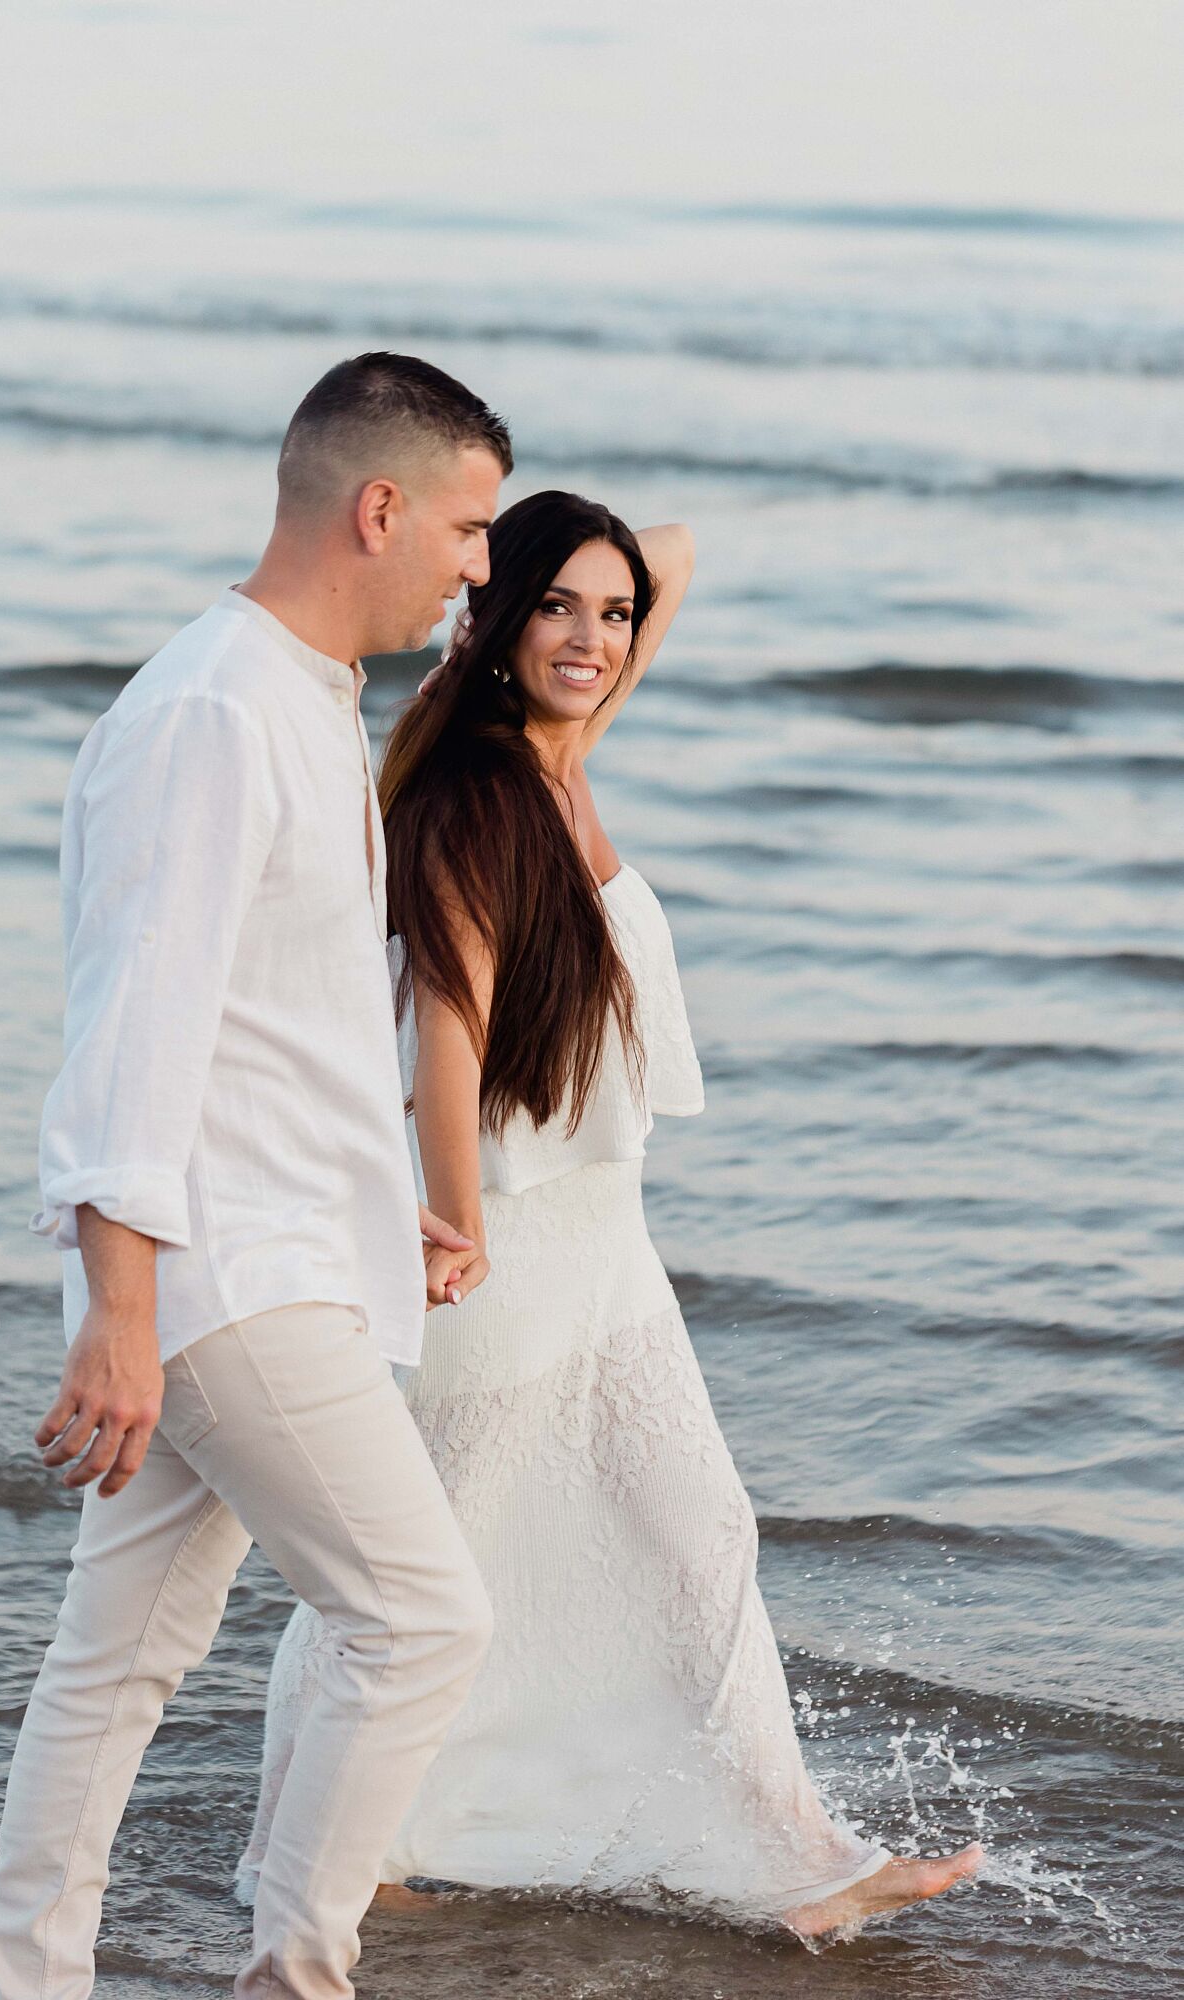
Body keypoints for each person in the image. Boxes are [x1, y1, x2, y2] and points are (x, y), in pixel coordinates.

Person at [241, 489, 983, 1937]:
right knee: (430, 1564)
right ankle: (323, 1845)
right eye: (555, 605)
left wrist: (529, 573)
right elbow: (444, 1039)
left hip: (606, 1243)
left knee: (697, 1535)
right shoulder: (475, 795)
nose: (593, 638)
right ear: (495, 617)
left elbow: (674, 560)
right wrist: (452, 1222)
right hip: (512, 1246)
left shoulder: (565, 750)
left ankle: (790, 1860)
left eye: (611, 613)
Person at [0, 352, 513, 2000]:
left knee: (116, 1661)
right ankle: (297, 1974)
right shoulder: (213, 709)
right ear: (378, 507)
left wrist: (379, 1197)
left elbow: (267, 1020)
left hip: (271, 1247)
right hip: (218, 1278)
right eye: (471, 526)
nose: (478, 569)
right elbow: (133, 1030)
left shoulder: (292, 693)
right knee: (421, 1621)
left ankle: (33, 1977)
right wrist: (121, 1316)